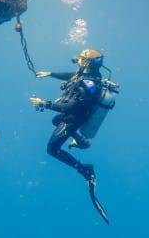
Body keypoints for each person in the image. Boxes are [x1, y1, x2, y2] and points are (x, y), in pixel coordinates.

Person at [30, 49, 105, 182]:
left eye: (82, 58)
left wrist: (45, 104)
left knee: (52, 149)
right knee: (56, 120)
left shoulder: (89, 85)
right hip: (72, 114)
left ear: (88, 63)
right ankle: (81, 142)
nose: (78, 60)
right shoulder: (86, 74)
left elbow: (72, 108)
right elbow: (72, 76)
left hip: (73, 119)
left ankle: (85, 170)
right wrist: (50, 74)